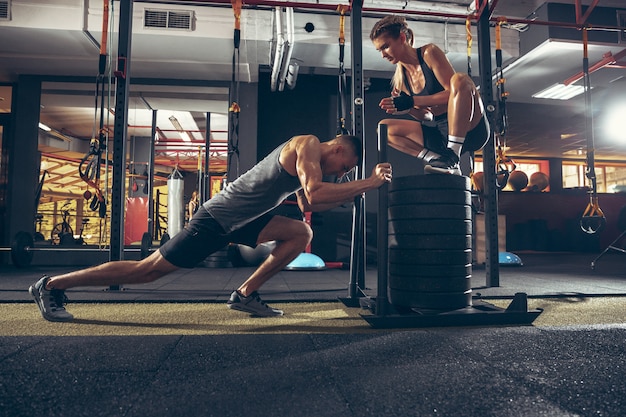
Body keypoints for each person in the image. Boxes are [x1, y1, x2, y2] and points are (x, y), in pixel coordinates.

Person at [29, 134, 392, 322]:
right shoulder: (309, 144)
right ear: (341, 149)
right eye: (349, 166)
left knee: (301, 233)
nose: (344, 173)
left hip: (244, 220)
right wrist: (367, 184)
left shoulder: (308, 162)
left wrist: (354, 191)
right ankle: (51, 285)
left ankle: (245, 295)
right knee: (148, 272)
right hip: (218, 218)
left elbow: (309, 204)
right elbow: (315, 191)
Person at [369, 15, 490, 175]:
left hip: (471, 127)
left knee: (460, 80)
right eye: (380, 50)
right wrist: (408, 109)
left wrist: (412, 101)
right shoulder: (401, 80)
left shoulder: (429, 53)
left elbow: (453, 93)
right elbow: (427, 116)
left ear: (402, 38)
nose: (383, 54)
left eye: (386, 46)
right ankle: (440, 159)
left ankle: (452, 155)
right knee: (384, 128)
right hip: (442, 134)